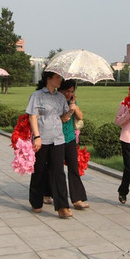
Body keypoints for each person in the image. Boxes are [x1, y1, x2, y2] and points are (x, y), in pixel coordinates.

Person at [27, 71, 73, 218]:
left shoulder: (60, 97)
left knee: (59, 172)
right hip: (43, 138)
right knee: (39, 170)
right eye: (57, 77)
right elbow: (32, 117)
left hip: (58, 139)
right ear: (49, 79)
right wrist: (37, 137)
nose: (60, 80)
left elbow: (64, 118)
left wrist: (70, 111)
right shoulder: (37, 96)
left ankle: (62, 206)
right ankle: (35, 201)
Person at [44, 79, 89, 210]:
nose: (69, 94)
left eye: (71, 91)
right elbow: (62, 119)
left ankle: (77, 199)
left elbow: (80, 117)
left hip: (69, 138)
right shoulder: (54, 101)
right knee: (54, 168)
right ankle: (47, 193)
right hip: (56, 139)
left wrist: (74, 105)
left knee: (73, 168)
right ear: (60, 90)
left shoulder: (71, 102)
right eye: (66, 91)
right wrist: (69, 111)